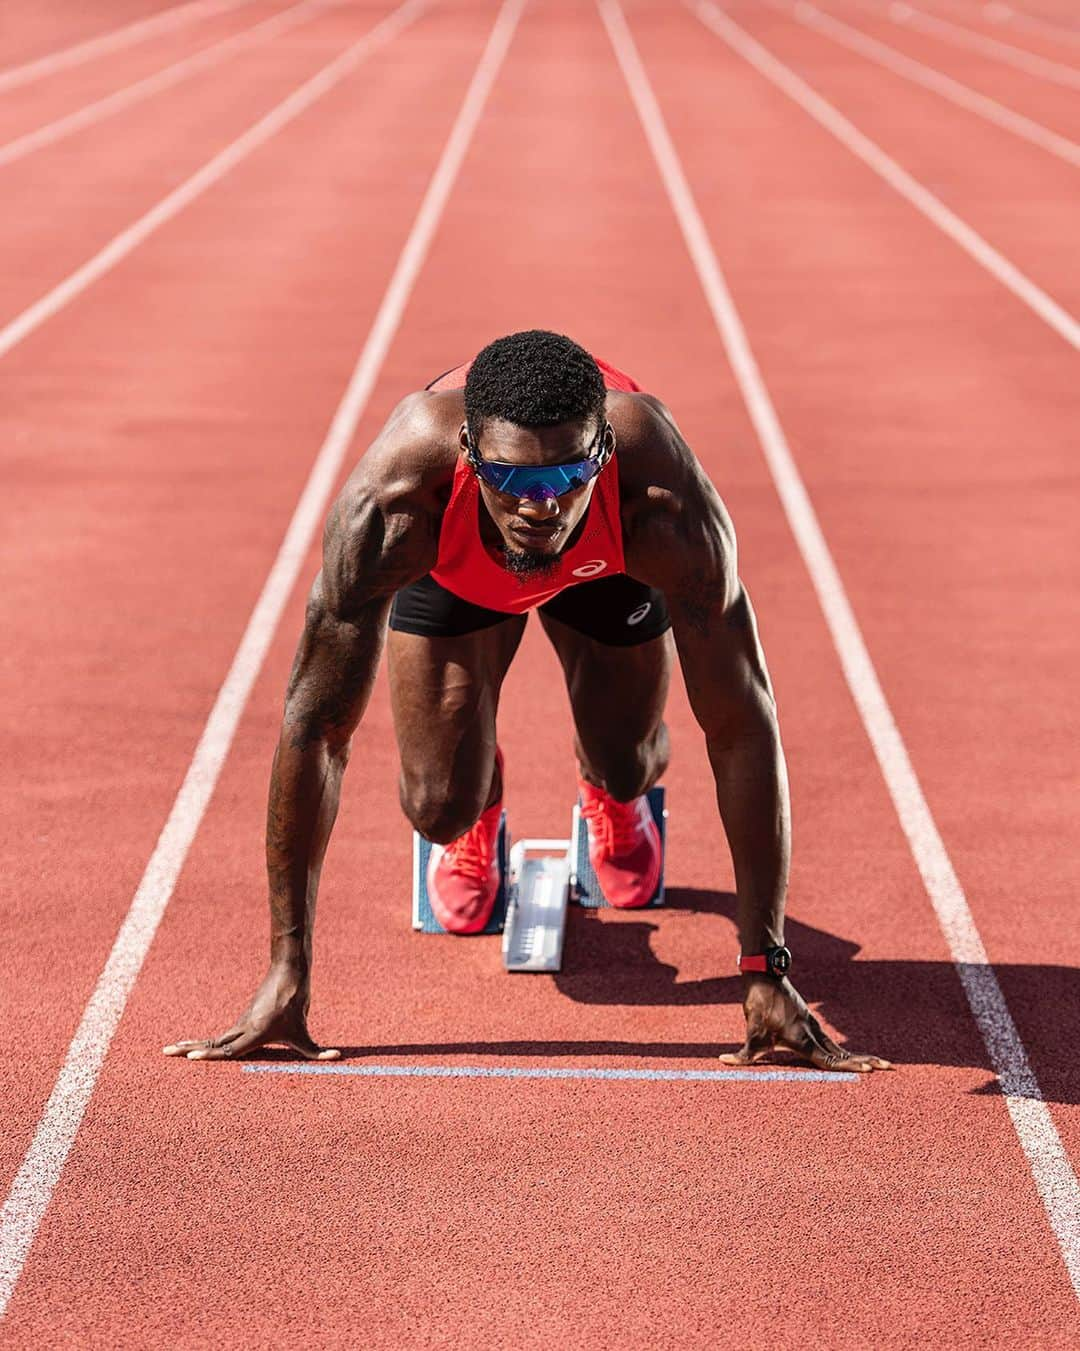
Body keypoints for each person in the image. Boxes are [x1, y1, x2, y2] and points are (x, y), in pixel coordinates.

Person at [164, 330, 891, 1073]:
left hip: (607, 565)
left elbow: (742, 723)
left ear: (604, 449)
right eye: (512, 479)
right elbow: (315, 727)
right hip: (455, 569)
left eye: (565, 474)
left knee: (627, 761)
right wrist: (288, 968)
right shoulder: (396, 502)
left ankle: (613, 793)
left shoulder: (660, 498)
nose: (540, 506)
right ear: (468, 455)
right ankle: (480, 796)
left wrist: (765, 967)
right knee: (438, 806)